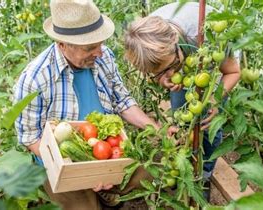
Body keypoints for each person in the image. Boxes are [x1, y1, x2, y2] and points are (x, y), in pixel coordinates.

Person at [13, 0, 160, 209]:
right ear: (62, 44)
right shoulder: (35, 79)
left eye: (100, 43)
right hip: (63, 162)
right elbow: (30, 137)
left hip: (107, 148)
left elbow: (123, 101)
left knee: (152, 165)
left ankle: (110, 193)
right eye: (90, 47)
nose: (99, 52)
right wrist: (79, 168)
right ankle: (101, 194)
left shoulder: (104, 56)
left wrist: (157, 129)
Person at [124, 2, 241, 201]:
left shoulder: (207, 34)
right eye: (160, 71)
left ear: (176, 43)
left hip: (214, 59)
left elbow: (233, 72)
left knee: (209, 123)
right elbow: (160, 69)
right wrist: (162, 77)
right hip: (187, 60)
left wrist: (214, 100)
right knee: (183, 122)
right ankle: (186, 168)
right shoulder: (147, 41)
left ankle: (204, 175)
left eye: (171, 66)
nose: (170, 74)